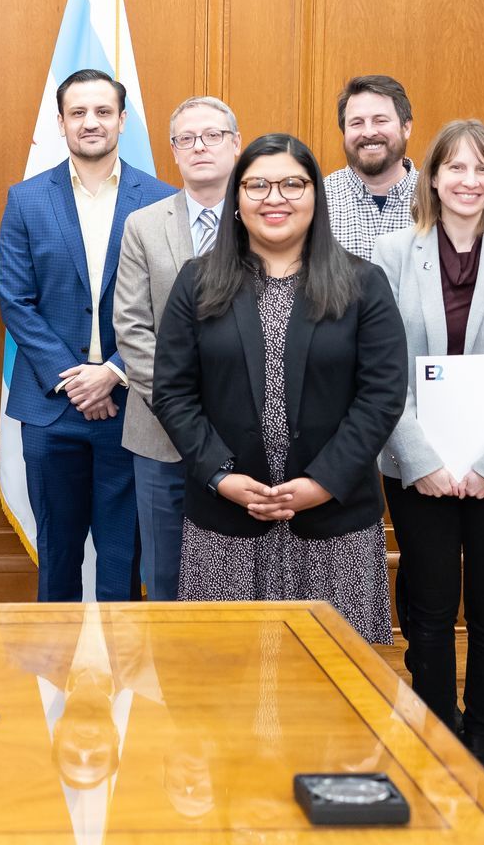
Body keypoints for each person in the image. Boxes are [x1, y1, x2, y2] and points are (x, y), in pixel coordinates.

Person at [151, 134, 407, 640]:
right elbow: (173, 393)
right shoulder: (197, 281)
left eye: (292, 183)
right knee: (227, 682)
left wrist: (321, 483)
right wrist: (221, 477)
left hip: (333, 522)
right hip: (225, 521)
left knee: (331, 692)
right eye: (258, 185)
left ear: (316, 194)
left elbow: (381, 395)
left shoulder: (363, 283)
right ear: (237, 199)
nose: (275, 198)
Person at [372, 119, 484, 773]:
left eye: (483, 169)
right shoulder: (394, 252)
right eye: (456, 168)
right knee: (428, 606)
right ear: (433, 177)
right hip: (416, 462)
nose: (469, 181)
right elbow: (383, 367)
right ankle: (434, 729)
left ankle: (480, 735)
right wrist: (422, 459)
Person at [0, 68, 175, 602]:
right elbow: (15, 299)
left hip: (133, 406)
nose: (90, 122)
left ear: (123, 120)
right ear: (60, 123)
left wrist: (113, 372)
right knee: (57, 555)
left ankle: (120, 684)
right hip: (51, 409)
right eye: (78, 113)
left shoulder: (162, 200)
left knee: (125, 560)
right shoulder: (27, 199)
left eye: (102, 111)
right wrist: (74, 380)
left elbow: (169, 305)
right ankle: (57, 683)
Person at [112, 95, 241, 601]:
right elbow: (132, 328)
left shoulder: (265, 216)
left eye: (212, 136)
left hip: (246, 433)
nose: (199, 147)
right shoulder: (143, 225)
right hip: (160, 432)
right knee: (164, 578)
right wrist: (181, 406)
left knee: (235, 579)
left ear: (235, 145)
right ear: (173, 151)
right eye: (186, 139)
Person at [322, 74, 417, 260]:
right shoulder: (318, 199)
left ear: (406, 128)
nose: (369, 132)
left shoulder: (437, 200)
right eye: (357, 123)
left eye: (380, 120)